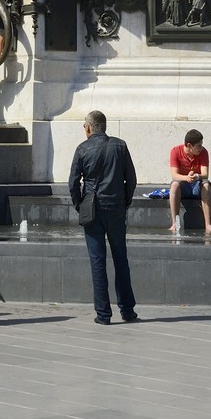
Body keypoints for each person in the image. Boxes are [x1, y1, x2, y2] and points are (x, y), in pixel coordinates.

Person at [69, 110, 138, 325]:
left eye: (84, 126)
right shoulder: (120, 145)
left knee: (97, 261)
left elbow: (72, 183)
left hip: (93, 211)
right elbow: (132, 179)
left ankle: (103, 314)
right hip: (116, 209)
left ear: (89, 127)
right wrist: (124, 202)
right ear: (104, 126)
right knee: (121, 259)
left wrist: (80, 205)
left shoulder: (82, 149)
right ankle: (127, 310)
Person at [168, 129, 211, 233]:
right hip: (183, 186)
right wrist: (186, 177)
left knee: (206, 185)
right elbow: (174, 175)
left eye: (201, 144)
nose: (201, 148)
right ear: (189, 146)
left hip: (197, 185)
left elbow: (205, 174)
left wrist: (196, 176)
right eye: (198, 145)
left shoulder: (203, 152)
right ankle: (174, 223)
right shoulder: (175, 151)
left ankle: (208, 224)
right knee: (174, 185)